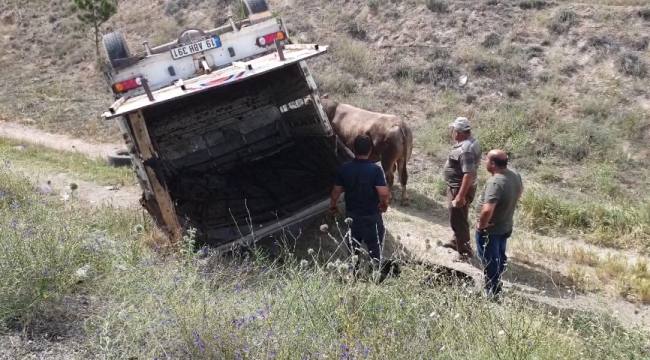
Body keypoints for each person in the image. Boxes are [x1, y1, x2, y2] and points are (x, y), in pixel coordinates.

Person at [329, 134, 391, 267]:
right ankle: (375, 276)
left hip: (352, 216)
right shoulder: (375, 170)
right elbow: (384, 193)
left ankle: (353, 276)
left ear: (353, 149)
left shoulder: (345, 168)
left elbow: (336, 191)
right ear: (370, 151)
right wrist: (384, 204)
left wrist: (333, 204)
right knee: (375, 250)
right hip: (372, 217)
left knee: (353, 250)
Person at [475, 149, 524, 298]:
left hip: (492, 229)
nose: (485, 162)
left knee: (489, 260)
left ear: (493, 164)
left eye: (487, 160)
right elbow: (521, 190)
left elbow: (487, 209)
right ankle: (495, 284)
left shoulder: (495, 182)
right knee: (500, 256)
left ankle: (492, 291)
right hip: (505, 224)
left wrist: (481, 225)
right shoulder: (514, 175)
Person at [441, 117, 481, 262]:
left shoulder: (466, 149)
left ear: (459, 132)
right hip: (458, 187)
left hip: (459, 188)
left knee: (458, 219)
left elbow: (468, 174)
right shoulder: (470, 143)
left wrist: (460, 196)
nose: (452, 133)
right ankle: (455, 241)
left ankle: (464, 251)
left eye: (454, 130)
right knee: (459, 217)